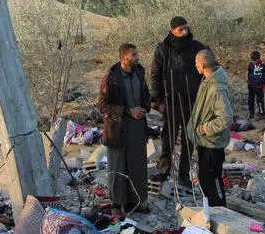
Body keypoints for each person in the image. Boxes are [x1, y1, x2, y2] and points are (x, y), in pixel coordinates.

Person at [149, 16, 206, 187]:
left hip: (192, 100)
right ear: (172, 30)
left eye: (186, 28)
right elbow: (155, 75)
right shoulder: (163, 49)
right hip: (171, 101)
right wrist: (158, 100)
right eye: (180, 29)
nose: (184, 32)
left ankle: (184, 174)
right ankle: (164, 170)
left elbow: (207, 71)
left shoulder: (197, 47)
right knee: (168, 137)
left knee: (189, 139)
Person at [98, 43, 151, 213]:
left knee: (138, 164)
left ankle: (137, 202)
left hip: (137, 126)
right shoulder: (111, 78)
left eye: (137, 54)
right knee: (118, 166)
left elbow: (146, 95)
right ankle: (117, 203)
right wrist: (128, 111)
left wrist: (145, 108)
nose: (137, 57)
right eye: (133, 55)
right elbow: (103, 105)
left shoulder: (140, 72)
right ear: (124, 57)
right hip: (117, 128)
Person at [187, 49, 233, 207]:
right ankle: (212, 211)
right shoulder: (207, 82)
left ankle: (220, 210)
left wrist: (204, 129)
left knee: (213, 182)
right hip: (205, 142)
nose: (195, 65)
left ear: (202, 64)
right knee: (205, 180)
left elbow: (226, 118)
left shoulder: (217, 88)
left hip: (213, 143)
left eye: (196, 63)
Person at [247, 50, 265, 119]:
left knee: (259, 100)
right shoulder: (250, 65)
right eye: (252, 60)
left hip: (259, 87)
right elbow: (248, 74)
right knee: (250, 100)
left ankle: (261, 113)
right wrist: (248, 83)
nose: (253, 62)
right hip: (251, 86)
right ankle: (251, 113)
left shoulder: (263, 66)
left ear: (258, 59)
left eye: (255, 60)